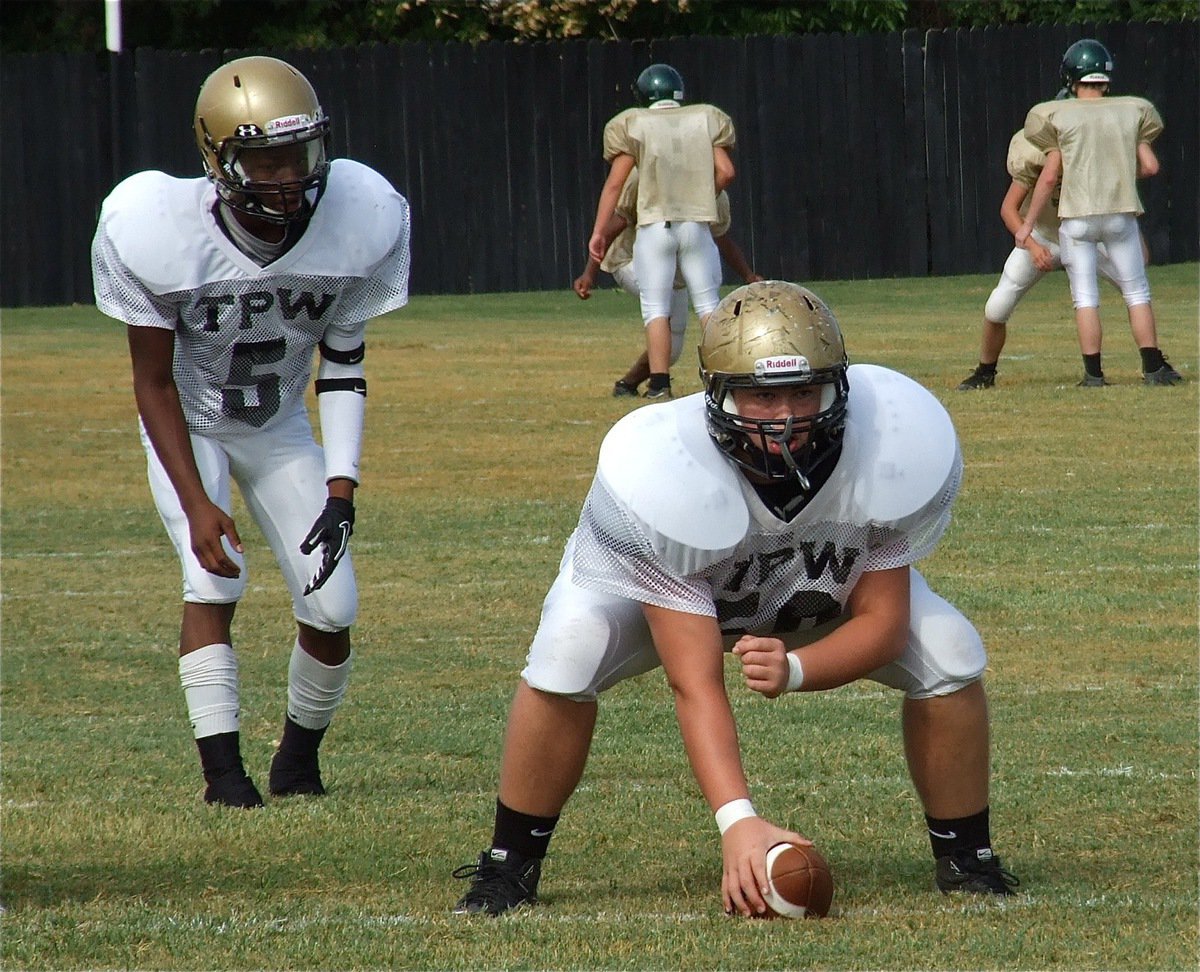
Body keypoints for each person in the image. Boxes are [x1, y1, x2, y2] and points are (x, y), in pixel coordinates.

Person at [451, 281, 1019, 918]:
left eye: (804, 391)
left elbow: (885, 624)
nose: (785, 416)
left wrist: (796, 668)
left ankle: (967, 857)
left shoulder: (889, 442)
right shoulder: (663, 471)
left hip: (811, 602)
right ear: (716, 394)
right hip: (657, 604)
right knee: (568, 651)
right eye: (761, 395)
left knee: (948, 649)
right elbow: (695, 683)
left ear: (840, 385)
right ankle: (509, 864)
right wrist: (738, 821)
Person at [91, 56, 411, 808]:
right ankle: (223, 777)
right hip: (193, 422)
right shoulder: (156, 228)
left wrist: (342, 485)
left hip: (278, 425)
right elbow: (153, 382)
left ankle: (297, 765)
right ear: (219, 158)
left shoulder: (359, 216)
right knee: (215, 575)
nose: (285, 177)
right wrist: (199, 504)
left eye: (296, 156)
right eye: (263, 160)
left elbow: (343, 363)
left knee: (334, 609)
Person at [1016, 39, 1182, 387]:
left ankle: (1094, 374)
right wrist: (1116, 173)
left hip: (1077, 217)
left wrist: (1027, 225)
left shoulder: (1057, 115)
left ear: (1070, 76)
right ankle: (1153, 367)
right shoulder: (1131, 110)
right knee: (1137, 291)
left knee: (1086, 297)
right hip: (1120, 214)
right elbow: (1150, 166)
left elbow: (1048, 177)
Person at [957, 125, 1151, 390]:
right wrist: (1034, 247)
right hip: (1045, 236)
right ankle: (985, 371)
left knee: (1136, 291)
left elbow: (1119, 197)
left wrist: (1134, 240)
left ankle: (1154, 363)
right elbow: (1008, 209)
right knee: (997, 307)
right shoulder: (1033, 156)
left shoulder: (1092, 154)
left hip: (1089, 237)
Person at [588, 63, 736, 401]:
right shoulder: (705, 118)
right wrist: (698, 195)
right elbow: (726, 171)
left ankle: (659, 384)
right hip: (696, 225)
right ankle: (723, 378)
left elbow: (614, 185)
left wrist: (598, 231)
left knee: (656, 308)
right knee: (708, 305)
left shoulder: (634, 124)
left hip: (656, 226)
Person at [573, 168, 762, 398]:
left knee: (671, 350)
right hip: (628, 260)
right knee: (663, 314)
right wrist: (589, 273)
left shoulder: (715, 193)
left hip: (674, 276)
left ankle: (628, 384)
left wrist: (748, 275)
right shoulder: (643, 175)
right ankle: (662, 385)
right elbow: (616, 223)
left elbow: (720, 238)